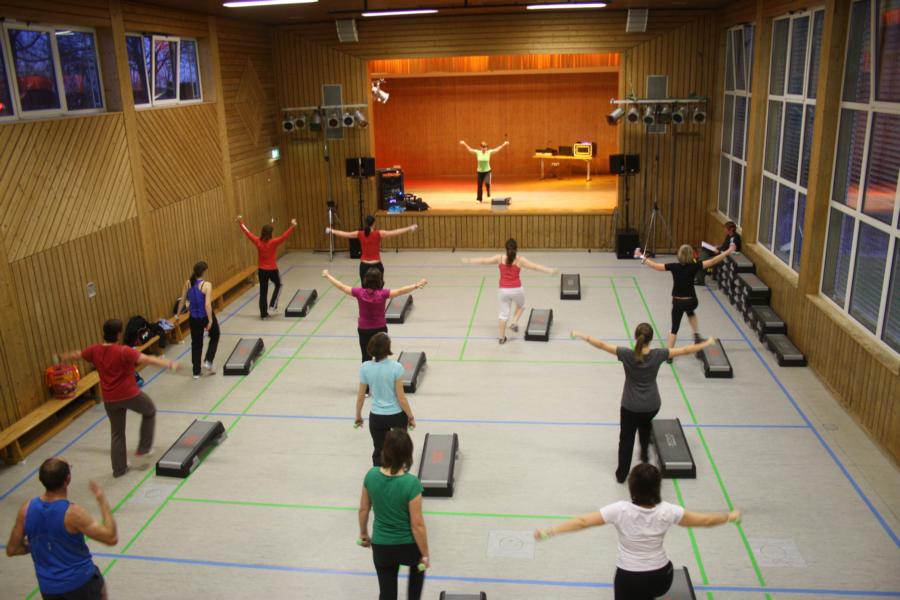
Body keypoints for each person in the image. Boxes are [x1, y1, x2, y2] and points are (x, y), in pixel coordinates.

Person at [534, 463, 740, 600]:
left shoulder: (620, 510)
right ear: (657, 487)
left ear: (632, 486)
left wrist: (548, 531)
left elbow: (582, 522)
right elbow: (705, 521)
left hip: (629, 580)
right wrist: (729, 517)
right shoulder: (669, 511)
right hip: (661, 578)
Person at [571, 325, 714, 482]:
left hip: (630, 407)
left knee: (626, 439)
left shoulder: (626, 354)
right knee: (645, 427)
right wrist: (706, 343)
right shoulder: (659, 354)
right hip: (651, 406)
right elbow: (685, 350)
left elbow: (601, 345)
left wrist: (581, 334)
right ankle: (645, 458)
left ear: (635, 337)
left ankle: (622, 474)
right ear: (651, 339)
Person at [58, 320, 178, 477]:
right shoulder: (123, 351)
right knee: (149, 410)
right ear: (119, 334)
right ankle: (143, 449)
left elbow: (78, 354)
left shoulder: (94, 350)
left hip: (110, 399)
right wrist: (169, 364)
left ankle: (119, 469)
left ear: (104, 333)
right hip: (129, 394)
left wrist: (63, 356)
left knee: (117, 433)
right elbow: (148, 359)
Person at [6, 457, 118, 600]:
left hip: (49, 589)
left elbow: (12, 549)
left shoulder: (26, 510)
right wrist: (102, 500)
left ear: (41, 479)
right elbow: (111, 537)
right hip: (81, 584)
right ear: (68, 479)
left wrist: (34, 545)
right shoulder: (73, 514)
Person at [358, 429, 429, 600]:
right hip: (408, 546)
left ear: (385, 450)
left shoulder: (371, 475)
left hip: (382, 546)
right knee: (417, 574)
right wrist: (425, 554)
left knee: (387, 593)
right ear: (408, 454)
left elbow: (363, 509)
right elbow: (417, 524)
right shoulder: (411, 483)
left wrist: (364, 533)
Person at [640, 243, 734, 357]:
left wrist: (643, 257)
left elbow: (655, 266)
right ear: (691, 255)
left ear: (679, 255)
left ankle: (669, 356)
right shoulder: (695, 266)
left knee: (674, 329)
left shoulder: (674, 266)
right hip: (691, 302)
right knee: (690, 312)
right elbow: (713, 261)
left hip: (678, 303)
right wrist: (728, 250)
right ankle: (696, 334)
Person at [321, 268, 426, 363]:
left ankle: (367, 377)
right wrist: (416, 285)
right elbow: (400, 291)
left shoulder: (359, 292)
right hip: (380, 329)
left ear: (366, 280)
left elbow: (341, 286)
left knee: (366, 357)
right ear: (379, 280)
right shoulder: (383, 294)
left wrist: (327, 275)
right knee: (382, 357)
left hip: (364, 329)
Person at [462, 238, 556, 343]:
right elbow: (535, 267)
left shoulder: (499, 258)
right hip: (517, 290)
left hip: (503, 291)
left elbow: (484, 261)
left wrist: (469, 260)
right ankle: (514, 321)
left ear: (506, 249)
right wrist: (549, 270)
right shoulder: (520, 260)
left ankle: (501, 338)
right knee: (521, 305)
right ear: (516, 249)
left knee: (503, 315)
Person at [356, 333, 416, 466]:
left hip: (377, 417)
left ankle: (379, 475)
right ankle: (398, 474)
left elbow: (360, 397)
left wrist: (358, 415)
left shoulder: (365, 367)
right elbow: (401, 397)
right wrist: (410, 417)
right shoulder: (396, 367)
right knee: (399, 449)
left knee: (379, 450)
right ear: (387, 348)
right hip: (396, 415)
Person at [237, 216, 298, 319]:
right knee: (278, 285)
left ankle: (263, 314)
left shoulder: (257, 241)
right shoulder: (273, 242)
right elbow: (284, 236)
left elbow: (247, 233)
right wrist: (293, 226)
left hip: (262, 271)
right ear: (270, 234)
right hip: (272, 270)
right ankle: (273, 304)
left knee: (263, 292)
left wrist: (240, 222)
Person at [326, 216, 418, 283]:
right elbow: (395, 232)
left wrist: (331, 230)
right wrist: (409, 228)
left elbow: (345, 234)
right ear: (374, 223)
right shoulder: (379, 233)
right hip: (376, 265)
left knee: (365, 290)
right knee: (378, 289)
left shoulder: (359, 234)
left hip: (364, 266)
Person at [174, 261, 220, 380]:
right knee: (215, 335)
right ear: (204, 272)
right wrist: (210, 321)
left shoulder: (188, 283)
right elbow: (207, 305)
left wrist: (177, 315)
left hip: (194, 319)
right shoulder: (206, 285)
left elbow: (182, 300)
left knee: (196, 344)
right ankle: (208, 360)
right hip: (205, 316)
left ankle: (196, 372)